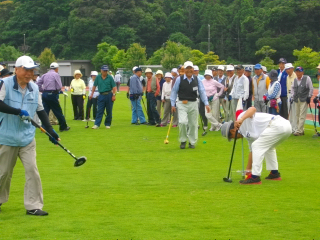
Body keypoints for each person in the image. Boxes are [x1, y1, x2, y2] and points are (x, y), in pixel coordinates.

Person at [0, 55, 60, 215]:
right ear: (17, 69)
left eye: (32, 70)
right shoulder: (4, 84)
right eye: (26, 70)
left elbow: (40, 110)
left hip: (27, 137)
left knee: (32, 170)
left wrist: (50, 130)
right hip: (6, 136)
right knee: (3, 173)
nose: (29, 73)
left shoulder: (34, 87)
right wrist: (17, 111)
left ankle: (33, 206)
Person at [221, 106, 292, 184]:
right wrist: (248, 170)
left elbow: (253, 109)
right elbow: (252, 152)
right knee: (268, 147)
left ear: (233, 130)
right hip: (283, 127)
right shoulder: (248, 136)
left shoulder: (240, 117)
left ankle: (255, 177)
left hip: (278, 124)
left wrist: (241, 119)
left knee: (257, 145)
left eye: (231, 137)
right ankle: (274, 173)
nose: (234, 139)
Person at [170, 61, 210, 149]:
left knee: (193, 124)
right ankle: (183, 140)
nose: (189, 70)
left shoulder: (197, 79)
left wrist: (206, 103)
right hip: (181, 103)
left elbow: (202, 91)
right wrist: (172, 104)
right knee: (183, 122)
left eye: (190, 68)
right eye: (187, 68)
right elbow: (174, 92)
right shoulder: (179, 79)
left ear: (193, 69)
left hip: (194, 103)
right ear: (184, 69)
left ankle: (192, 142)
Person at [37, 62, 70, 132]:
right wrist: (58, 91)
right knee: (57, 111)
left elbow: (38, 84)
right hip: (52, 94)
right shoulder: (56, 75)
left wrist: (43, 90)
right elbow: (59, 86)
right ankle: (63, 126)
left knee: (45, 111)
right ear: (57, 68)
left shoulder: (44, 75)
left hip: (45, 94)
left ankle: (44, 127)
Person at [291, 67, 313, 136]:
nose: (298, 73)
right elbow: (292, 88)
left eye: (299, 72)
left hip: (304, 99)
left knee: (302, 115)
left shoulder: (307, 78)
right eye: (297, 72)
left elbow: (311, 88)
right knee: (297, 114)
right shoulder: (295, 80)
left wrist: (309, 96)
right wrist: (292, 96)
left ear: (302, 72)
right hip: (296, 99)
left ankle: (299, 131)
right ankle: (300, 129)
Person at [285, 63, 297, 131]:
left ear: (292, 69)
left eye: (289, 69)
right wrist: (288, 96)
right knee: (289, 112)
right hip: (289, 95)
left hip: (294, 95)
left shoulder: (295, 76)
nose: (287, 70)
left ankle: (295, 128)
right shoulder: (287, 77)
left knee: (294, 112)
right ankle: (291, 128)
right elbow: (287, 87)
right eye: (286, 69)